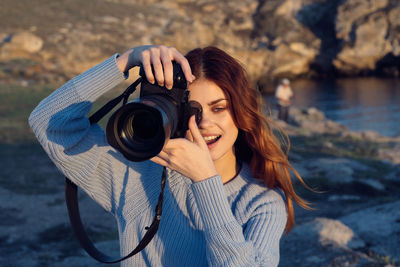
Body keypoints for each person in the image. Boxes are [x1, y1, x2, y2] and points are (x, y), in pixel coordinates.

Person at [29, 45, 310, 266]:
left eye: (219, 108)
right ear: (174, 116)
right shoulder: (139, 174)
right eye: (192, 111)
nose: (203, 124)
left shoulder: (262, 203)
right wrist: (126, 62)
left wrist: (205, 181)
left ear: (241, 113)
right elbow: (48, 122)